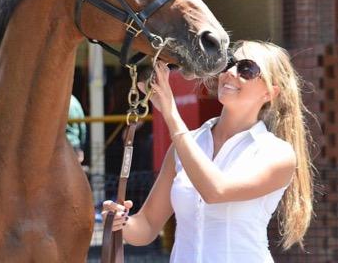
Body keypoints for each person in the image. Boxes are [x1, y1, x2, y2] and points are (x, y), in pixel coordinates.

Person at [102, 40, 314, 262]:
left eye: (247, 69)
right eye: (229, 64)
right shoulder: (186, 144)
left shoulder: (276, 153)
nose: (231, 72)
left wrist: (171, 114)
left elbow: (215, 191)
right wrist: (120, 219)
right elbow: (145, 227)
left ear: (270, 92)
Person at [66, 94, 87, 163]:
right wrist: (81, 146)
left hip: (60, 145)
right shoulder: (74, 102)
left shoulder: (57, 101)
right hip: (74, 144)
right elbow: (82, 128)